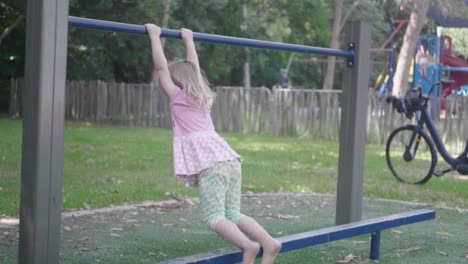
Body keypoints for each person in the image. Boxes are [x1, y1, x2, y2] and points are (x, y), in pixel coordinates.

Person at [145, 24, 282, 264]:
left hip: (212, 165)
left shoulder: (177, 97)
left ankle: (248, 246)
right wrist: (189, 40)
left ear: (176, 83)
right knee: (233, 214)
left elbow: (161, 67)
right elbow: (194, 68)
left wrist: (155, 36)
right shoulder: (203, 96)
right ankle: (269, 243)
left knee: (214, 217)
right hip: (230, 161)